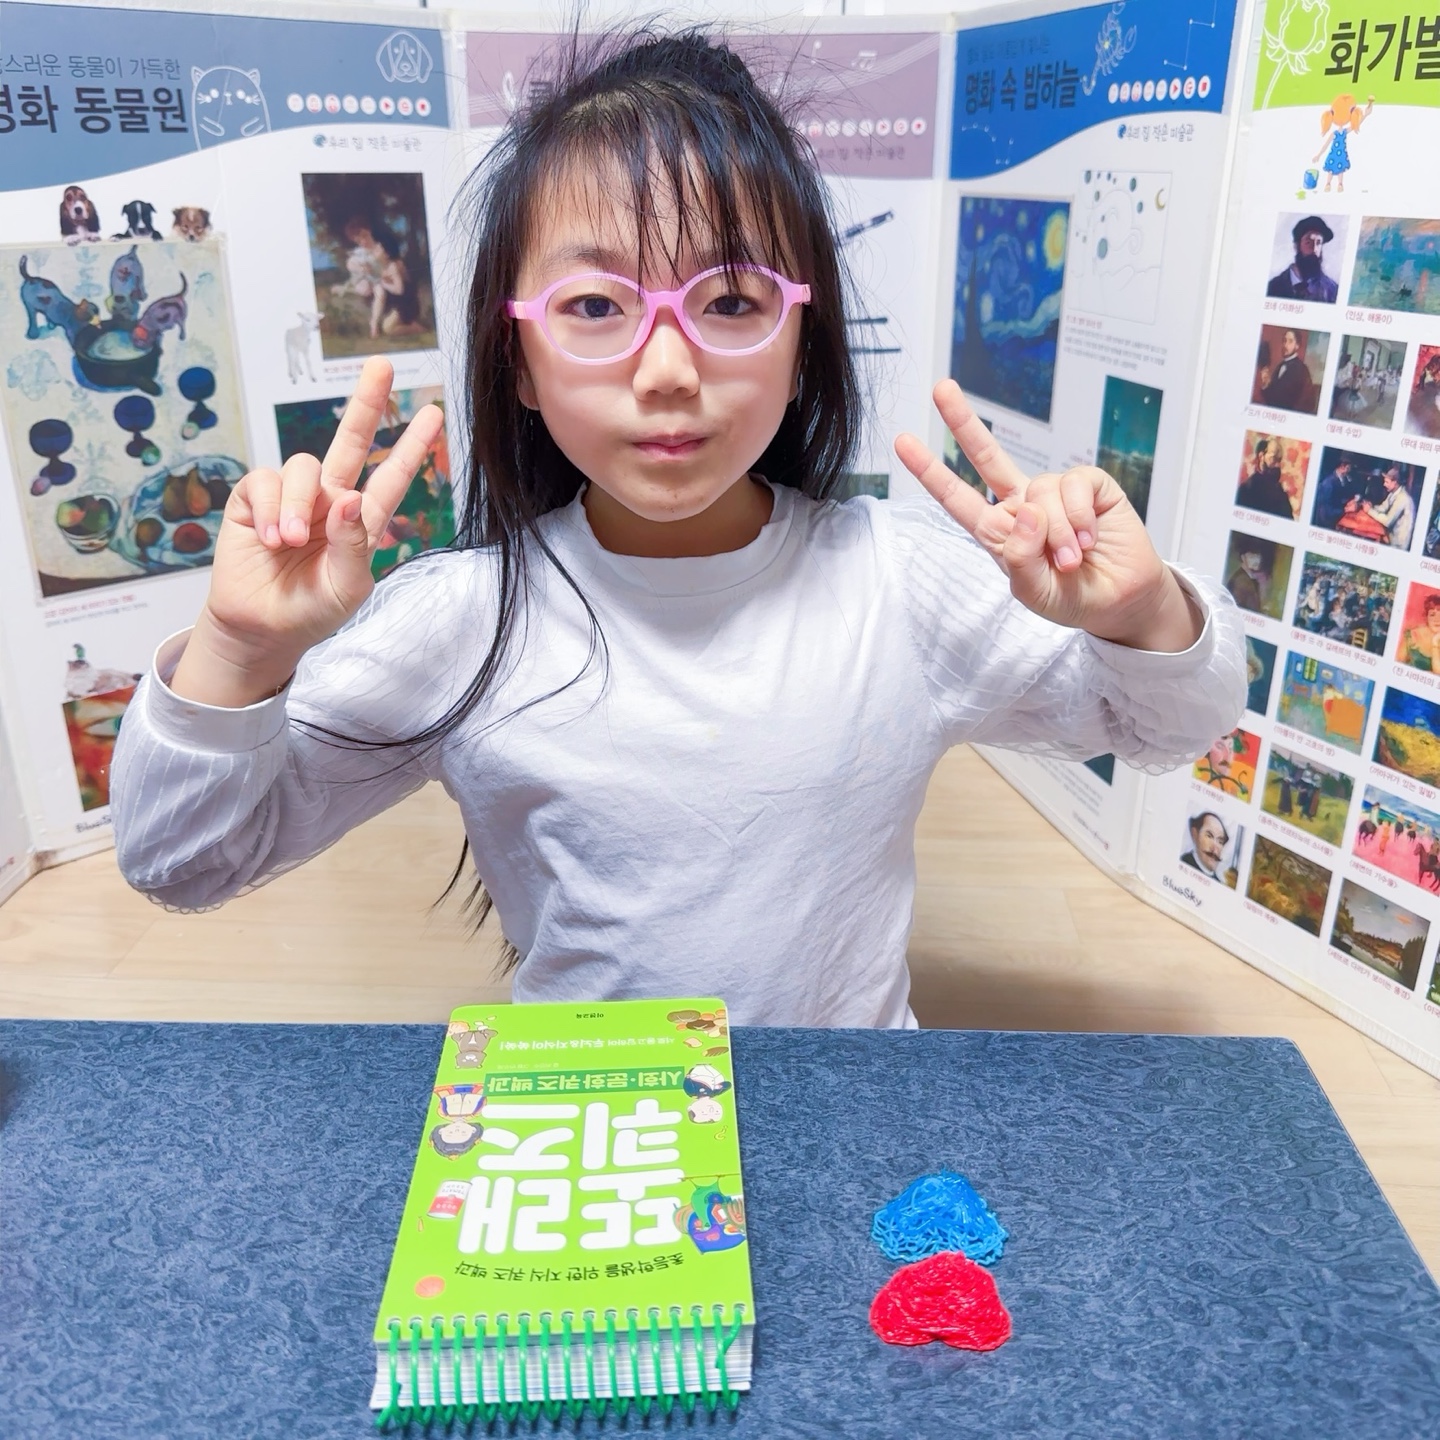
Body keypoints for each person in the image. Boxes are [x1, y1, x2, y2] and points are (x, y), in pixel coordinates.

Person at [106, 30, 1247, 1029]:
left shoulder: (893, 580)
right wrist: (240, 653)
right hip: (597, 1131)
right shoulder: (465, 619)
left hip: (850, 1111)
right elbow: (181, 861)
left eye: (733, 302)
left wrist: (1142, 611)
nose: (665, 369)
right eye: (595, 306)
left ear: (801, 347)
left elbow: (1166, 727)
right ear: (519, 365)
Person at [1266, 215, 1337, 303]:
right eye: (1308, 242)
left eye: (1318, 243)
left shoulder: (1331, 290)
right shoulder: (1273, 287)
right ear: (1296, 246)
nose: (1314, 249)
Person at [1235, 435, 1292, 518]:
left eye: (1279, 460)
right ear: (1261, 456)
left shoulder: (1281, 495)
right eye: (1273, 458)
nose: (1277, 465)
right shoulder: (1246, 490)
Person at [1363, 466, 1416, 550]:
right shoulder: (1393, 493)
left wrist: (1369, 511)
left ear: (1395, 482)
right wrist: (1371, 506)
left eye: (1387, 482)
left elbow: (1388, 521)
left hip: (1399, 543)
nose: (1384, 484)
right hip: (1392, 536)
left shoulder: (1402, 498)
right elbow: (1383, 508)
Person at [1262, 329, 1315, 412]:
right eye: (1284, 340)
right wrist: (1266, 384)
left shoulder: (1301, 369)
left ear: (1297, 346)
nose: (1285, 345)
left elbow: (1303, 402)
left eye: (1290, 341)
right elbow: (1272, 398)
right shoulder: (1280, 366)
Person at [1180, 812, 1231, 882]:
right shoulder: (1182, 863)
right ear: (1194, 834)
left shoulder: (1218, 883)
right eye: (1209, 836)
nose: (1215, 848)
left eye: (1220, 842)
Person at [1312, 456, 1355, 530]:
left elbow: (1339, 498)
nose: (1350, 470)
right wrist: (1346, 510)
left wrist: (1348, 502)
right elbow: (1327, 511)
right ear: (1342, 466)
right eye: (1348, 468)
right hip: (1327, 523)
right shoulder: (1328, 484)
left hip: (1338, 516)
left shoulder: (1343, 479)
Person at [1401, 591, 1440, 672]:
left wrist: (1435, 641)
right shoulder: (1413, 635)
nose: (1437, 619)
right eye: (1432, 615)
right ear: (1426, 617)